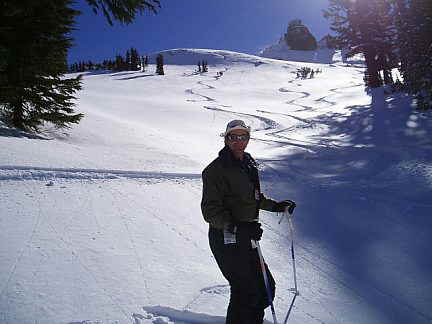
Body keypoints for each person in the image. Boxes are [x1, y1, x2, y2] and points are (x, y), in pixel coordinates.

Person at [201, 119, 296, 324]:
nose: (238, 141)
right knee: (245, 291)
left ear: (248, 138)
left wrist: (276, 206)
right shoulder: (215, 170)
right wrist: (237, 227)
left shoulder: (249, 163)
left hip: (247, 237)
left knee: (264, 287)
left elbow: (253, 197)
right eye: (233, 137)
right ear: (226, 139)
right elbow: (210, 211)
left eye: (242, 136)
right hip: (226, 238)